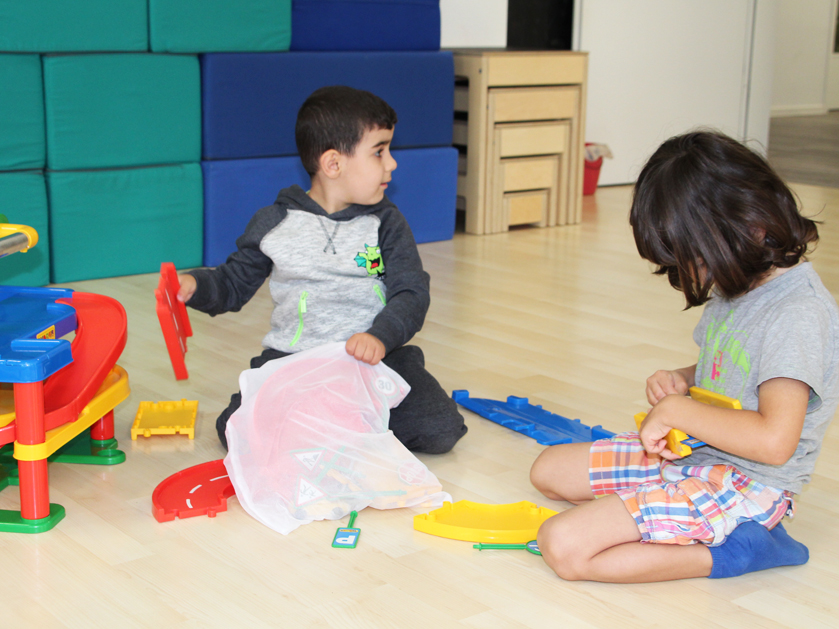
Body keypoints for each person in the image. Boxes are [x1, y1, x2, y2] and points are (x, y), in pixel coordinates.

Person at [530, 130, 838, 583]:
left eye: (694, 259)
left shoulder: (798, 314)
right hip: (693, 454)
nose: (692, 275)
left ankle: (743, 549)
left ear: (750, 224)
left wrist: (679, 410)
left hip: (748, 484)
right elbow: (734, 369)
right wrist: (681, 379)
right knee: (548, 470)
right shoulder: (740, 280)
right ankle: (666, 508)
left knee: (564, 547)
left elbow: (775, 441)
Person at [177, 85, 466, 453]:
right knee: (234, 430)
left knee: (441, 428)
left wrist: (380, 336)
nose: (391, 163)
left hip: (378, 357)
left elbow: (411, 292)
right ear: (333, 164)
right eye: (379, 152)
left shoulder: (387, 222)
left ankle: (337, 422)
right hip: (296, 361)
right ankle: (334, 421)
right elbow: (231, 284)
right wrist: (194, 286)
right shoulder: (274, 222)